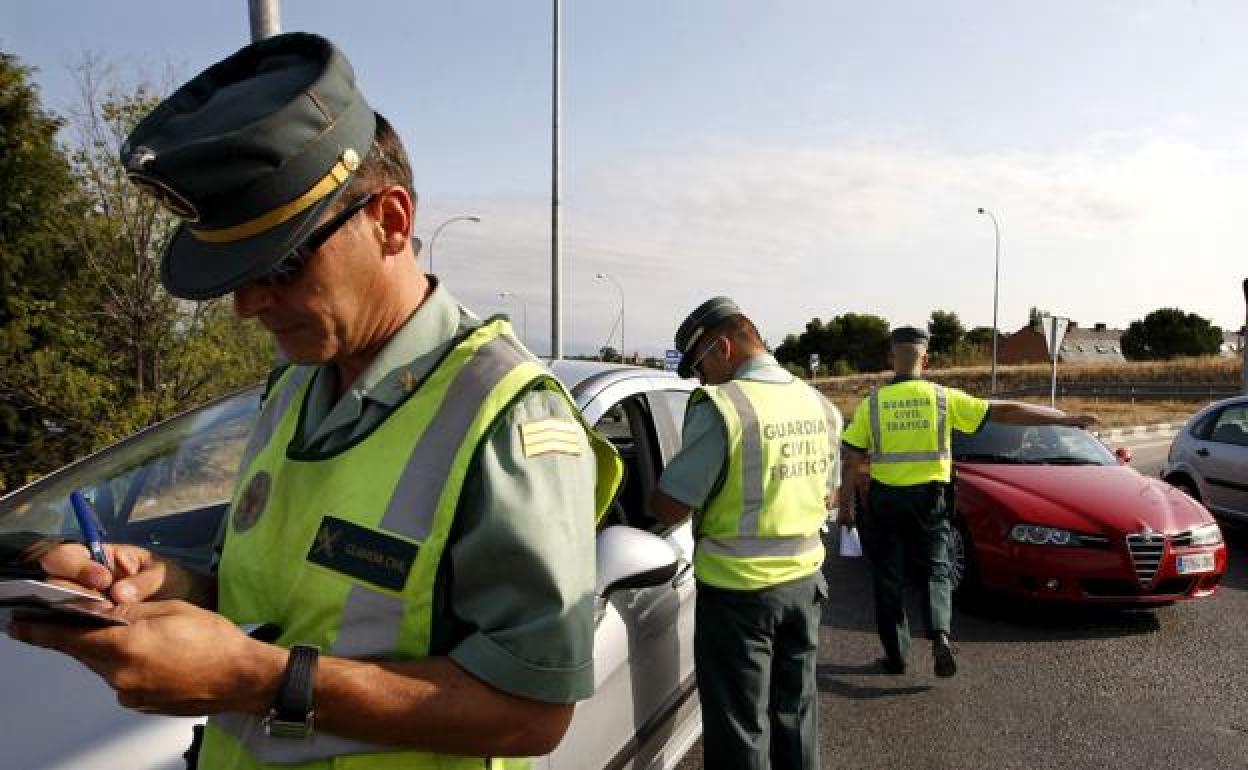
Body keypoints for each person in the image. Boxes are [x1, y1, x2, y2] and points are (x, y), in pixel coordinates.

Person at [5, 32, 622, 770]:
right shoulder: (295, 384)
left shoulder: (509, 418)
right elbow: (292, 604)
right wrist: (170, 585)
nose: (247, 304)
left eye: (281, 265)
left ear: (390, 222)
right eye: (235, 272)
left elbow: (531, 714)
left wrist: (251, 678)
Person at [839, 326, 1096, 678]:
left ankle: (896, 656)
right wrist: (1064, 420)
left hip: (886, 501)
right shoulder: (943, 399)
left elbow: (851, 459)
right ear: (926, 359)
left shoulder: (873, 404)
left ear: (891, 358)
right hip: (931, 500)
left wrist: (846, 510)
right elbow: (1005, 412)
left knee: (889, 579)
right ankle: (940, 636)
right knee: (935, 569)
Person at [651, 297, 841, 770]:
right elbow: (829, 497)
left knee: (740, 727)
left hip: (739, 594)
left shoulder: (723, 406)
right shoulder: (818, 403)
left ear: (722, 347)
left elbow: (673, 503)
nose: (701, 378)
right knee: (796, 713)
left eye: (700, 366)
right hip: (804, 586)